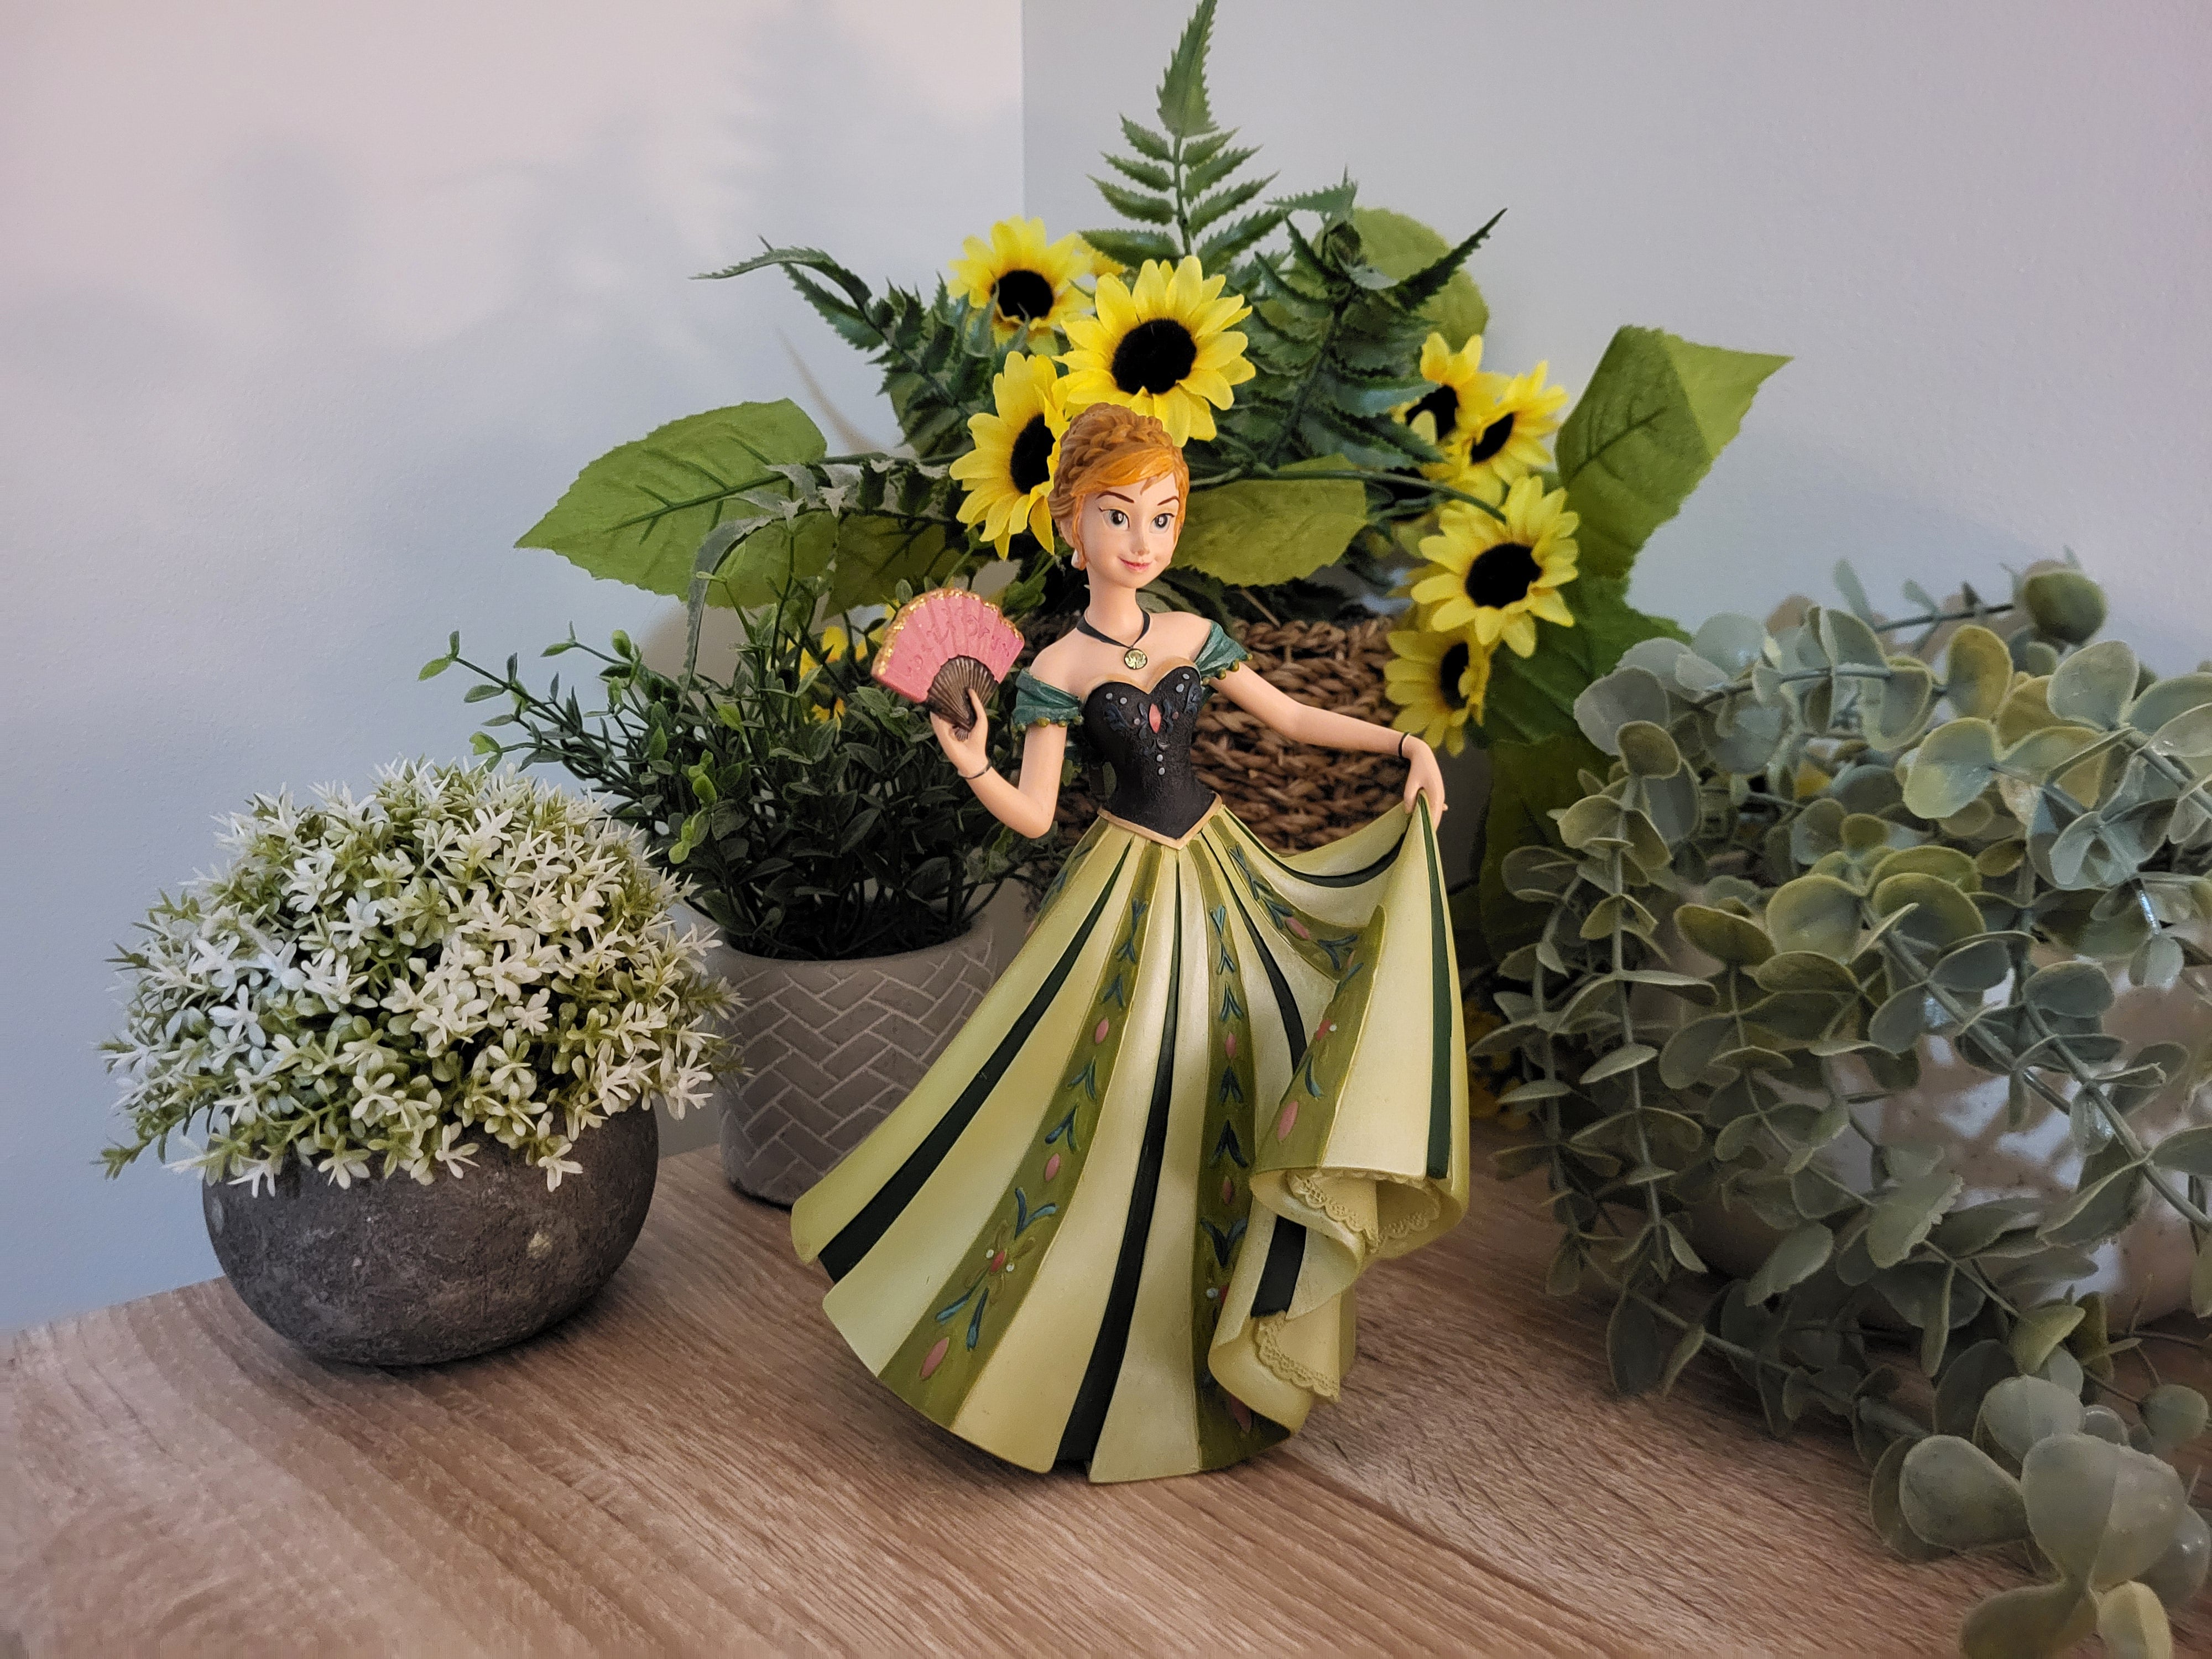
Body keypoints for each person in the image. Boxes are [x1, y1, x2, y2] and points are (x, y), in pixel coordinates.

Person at [790, 402, 1469, 1483]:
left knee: (1236, 1066)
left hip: (1218, 863)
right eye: (1118, 516)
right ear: (1072, 527)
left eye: (1161, 516)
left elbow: (1292, 721)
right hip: (1123, 885)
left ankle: (1218, 1319)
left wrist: (1402, 746)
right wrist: (971, 759)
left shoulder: (1193, 635)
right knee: (1106, 1102)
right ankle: (1086, 1340)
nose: (1142, 539)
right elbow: (1033, 814)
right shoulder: (1058, 666)